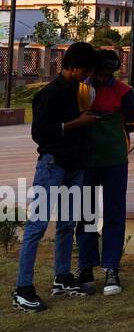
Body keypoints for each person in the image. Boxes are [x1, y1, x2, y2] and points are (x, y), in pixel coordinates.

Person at [12, 42, 100, 312]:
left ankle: (62, 278)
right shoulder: (49, 95)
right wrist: (77, 123)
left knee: (66, 224)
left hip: (75, 165)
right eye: (84, 70)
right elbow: (40, 133)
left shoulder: (81, 93)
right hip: (52, 165)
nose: (87, 75)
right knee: (37, 227)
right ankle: (22, 289)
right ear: (73, 67)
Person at [75, 50, 134, 296]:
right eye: (100, 73)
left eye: (107, 73)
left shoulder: (124, 92)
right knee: (86, 215)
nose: (103, 77)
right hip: (87, 161)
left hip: (114, 161)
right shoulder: (80, 89)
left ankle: (111, 268)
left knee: (114, 214)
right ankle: (86, 267)